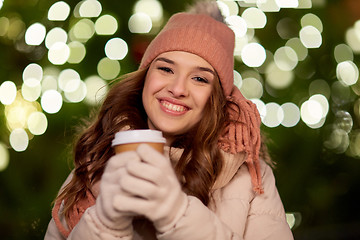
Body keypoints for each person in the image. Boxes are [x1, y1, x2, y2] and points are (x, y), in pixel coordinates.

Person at [44, 1, 294, 239]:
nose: (177, 89)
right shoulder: (96, 159)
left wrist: (177, 214)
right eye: (166, 69)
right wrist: (105, 222)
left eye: (199, 79)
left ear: (217, 98)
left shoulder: (250, 178)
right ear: (144, 78)